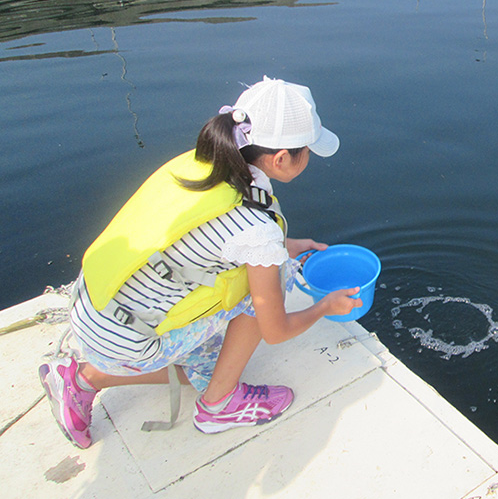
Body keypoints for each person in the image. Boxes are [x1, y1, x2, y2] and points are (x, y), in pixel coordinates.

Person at [38, 77, 362, 449]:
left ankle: (84, 378)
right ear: (281, 159)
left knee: (211, 363)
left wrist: (284, 246)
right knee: (277, 280)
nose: (309, 157)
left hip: (96, 311)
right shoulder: (257, 228)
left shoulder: (201, 166)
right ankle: (219, 406)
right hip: (126, 341)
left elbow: (204, 235)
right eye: (307, 150)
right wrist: (325, 306)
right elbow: (275, 331)